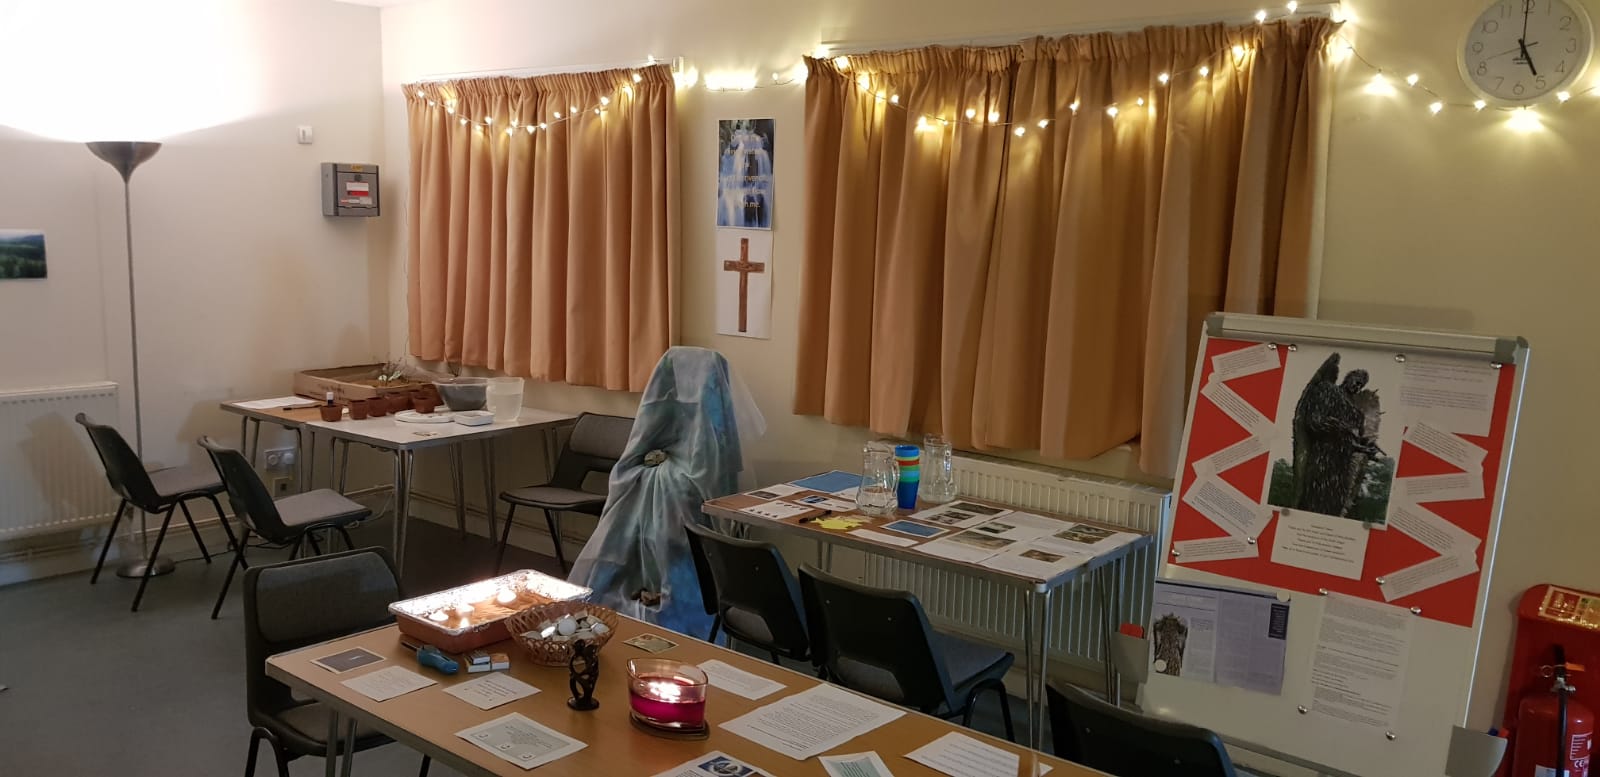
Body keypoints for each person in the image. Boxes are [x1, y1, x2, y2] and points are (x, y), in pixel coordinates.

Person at [567, 347, 765, 636]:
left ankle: (673, 601)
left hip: (686, 491)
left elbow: (708, 464)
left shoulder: (711, 413)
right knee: (646, 499)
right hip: (656, 480)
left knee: (676, 499)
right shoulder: (662, 397)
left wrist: (667, 472)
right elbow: (642, 439)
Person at [1289, 354, 1375, 516]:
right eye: (1357, 381)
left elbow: (1354, 440)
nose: (1357, 386)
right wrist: (1341, 427)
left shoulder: (1357, 414)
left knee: (1333, 508)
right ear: (1349, 377)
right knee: (1314, 504)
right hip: (1322, 460)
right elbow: (1315, 422)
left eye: (1361, 385)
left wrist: (1365, 446)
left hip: (1342, 470)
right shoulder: (1328, 390)